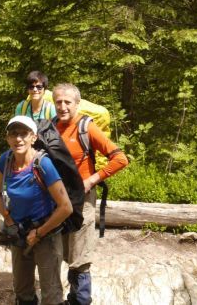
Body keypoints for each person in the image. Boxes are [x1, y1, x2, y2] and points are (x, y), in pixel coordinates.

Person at [52, 83, 129, 305]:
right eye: (59, 102)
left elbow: (120, 159)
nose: (63, 106)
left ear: (77, 104)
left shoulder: (86, 127)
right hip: (56, 201)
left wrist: (91, 180)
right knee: (63, 250)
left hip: (81, 200)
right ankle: (71, 298)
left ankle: (81, 300)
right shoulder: (50, 127)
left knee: (80, 254)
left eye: (68, 102)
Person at [0, 115, 72, 305]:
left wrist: (39, 232)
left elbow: (65, 207)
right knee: (22, 289)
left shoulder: (42, 164)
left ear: (33, 137)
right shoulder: (6, 159)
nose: (18, 139)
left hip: (47, 233)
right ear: (7, 138)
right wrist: (8, 220)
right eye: (13, 134)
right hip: (18, 231)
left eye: (23, 134)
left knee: (51, 292)